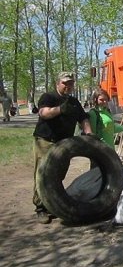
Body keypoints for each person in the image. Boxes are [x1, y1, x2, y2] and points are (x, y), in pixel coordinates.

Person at [32, 72, 93, 224]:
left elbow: (83, 118)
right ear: (58, 83)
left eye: (70, 83)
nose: (68, 86)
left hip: (64, 143)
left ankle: (52, 204)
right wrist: (60, 109)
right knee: (43, 174)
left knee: (58, 174)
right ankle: (40, 208)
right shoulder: (49, 97)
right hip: (46, 141)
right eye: (65, 83)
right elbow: (43, 113)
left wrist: (89, 133)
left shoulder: (73, 101)